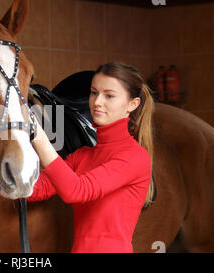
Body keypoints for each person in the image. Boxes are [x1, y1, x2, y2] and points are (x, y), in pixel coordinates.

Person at [28, 62, 155, 253]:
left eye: (109, 95)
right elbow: (39, 189)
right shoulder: (82, 155)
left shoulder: (135, 157)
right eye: (94, 92)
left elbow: (76, 191)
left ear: (132, 104)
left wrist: (38, 137)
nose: (97, 102)